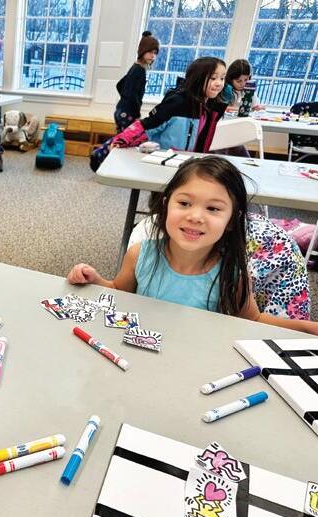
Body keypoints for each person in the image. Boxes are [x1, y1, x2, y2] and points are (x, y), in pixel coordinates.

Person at [68, 156, 318, 334]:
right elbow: (118, 293)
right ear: (166, 205)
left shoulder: (233, 274)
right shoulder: (139, 254)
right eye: (184, 203)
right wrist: (95, 280)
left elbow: (252, 320)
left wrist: (308, 328)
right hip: (137, 353)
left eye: (213, 208)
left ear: (232, 220)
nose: (195, 216)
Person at [91, 56, 228, 172]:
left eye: (222, 78)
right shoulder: (178, 102)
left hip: (186, 163)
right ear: (197, 79)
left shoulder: (209, 105)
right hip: (165, 161)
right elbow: (148, 125)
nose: (219, 83)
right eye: (213, 78)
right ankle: (100, 155)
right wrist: (122, 140)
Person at [114, 31, 159, 133]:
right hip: (128, 114)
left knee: (120, 138)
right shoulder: (139, 70)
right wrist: (136, 114)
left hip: (121, 111)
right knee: (125, 140)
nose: (153, 56)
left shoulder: (135, 67)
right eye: (150, 52)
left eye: (155, 53)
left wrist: (124, 101)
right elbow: (133, 95)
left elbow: (120, 85)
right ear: (143, 51)